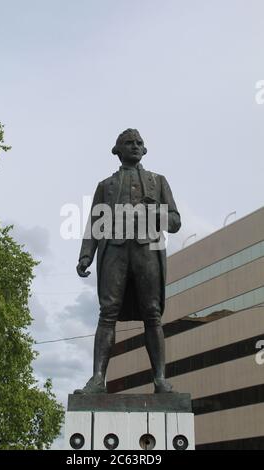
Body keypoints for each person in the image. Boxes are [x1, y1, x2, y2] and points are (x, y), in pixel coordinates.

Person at [74, 129, 181, 394]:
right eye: (128, 143)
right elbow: (94, 225)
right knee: (107, 313)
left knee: (152, 314)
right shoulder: (105, 186)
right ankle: (98, 379)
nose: (134, 146)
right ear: (117, 151)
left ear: (144, 150)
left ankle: (159, 379)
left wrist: (154, 210)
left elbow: (176, 222)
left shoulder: (158, 181)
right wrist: (86, 255)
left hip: (148, 251)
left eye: (139, 143)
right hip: (114, 251)